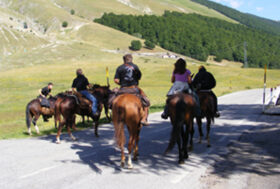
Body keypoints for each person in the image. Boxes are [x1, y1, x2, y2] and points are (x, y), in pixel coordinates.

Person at [114, 54, 150, 126]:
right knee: (146, 101)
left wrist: (122, 83)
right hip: (134, 89)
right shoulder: (135, 67)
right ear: (131, 59)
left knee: (113, 100)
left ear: (124, 60)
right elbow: (139, 77)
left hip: (123, 89)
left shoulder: (120, 68)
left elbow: (116, 80)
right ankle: (144, 119)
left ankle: (115, 116)